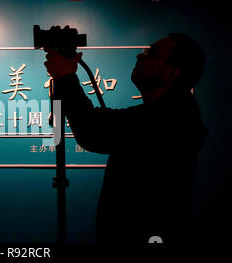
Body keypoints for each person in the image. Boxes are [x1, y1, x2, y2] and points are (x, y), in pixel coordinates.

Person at [44, 32, 207, 245]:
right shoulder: (176, 112)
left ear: (171, 72)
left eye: (152, 53)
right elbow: (101, 128)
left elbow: (93, 131)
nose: (140, 56)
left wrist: (66, 77)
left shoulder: (171, 118)